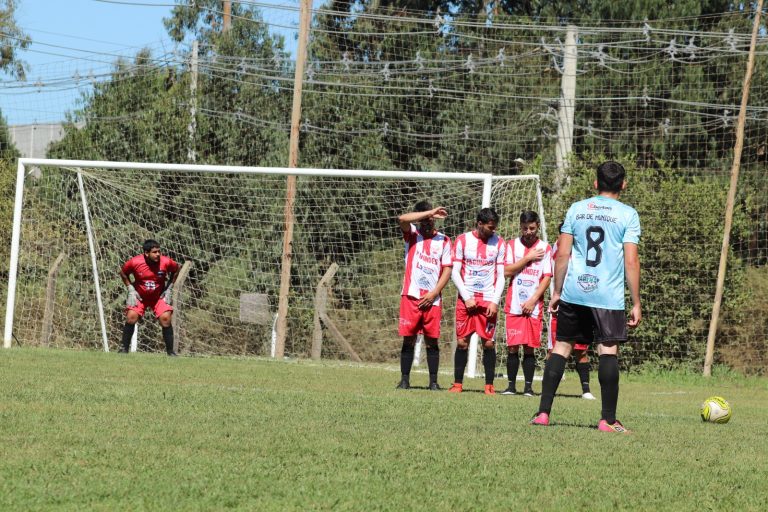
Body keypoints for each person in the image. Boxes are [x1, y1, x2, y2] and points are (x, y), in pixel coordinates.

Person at [531, 161, 641, 433]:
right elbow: (631, 261)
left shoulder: (577, 209)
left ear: (595, 184)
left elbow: (563, 255)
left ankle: (543, 413)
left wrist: (557, 291)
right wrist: (636, 302)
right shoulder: (628, 214)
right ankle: (608, 419)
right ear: (623, 185)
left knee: (562, 347)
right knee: (607, 350)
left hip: (575, 291)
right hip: (608, 295)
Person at [396, 201, 453, 390]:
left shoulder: (444, 240)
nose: (429, 222)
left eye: (431, 219)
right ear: (420, 219)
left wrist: (435, 292)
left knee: (432, 340)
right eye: (425, 219)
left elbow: (447, 269)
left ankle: (433, 382)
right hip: (411, 296)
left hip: (432, 299)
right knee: (409, 338)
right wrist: (429, 212)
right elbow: (402, 219)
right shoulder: (412, 234)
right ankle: (404, 380)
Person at [449, 208, 506, 395]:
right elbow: (455, 272)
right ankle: (457, 384)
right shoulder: (463, 240)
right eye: (490, 227)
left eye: (495, 227)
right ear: (479, 224)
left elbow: (501, 275)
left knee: (488, 343)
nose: (493, 231)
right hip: (467, 299)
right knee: (462, 342)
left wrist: (495, 301)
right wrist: (466, 297)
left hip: (488, 300)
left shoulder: (499, 243)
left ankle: (489, 385)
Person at [501, 210, 552, 397]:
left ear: (537, 226)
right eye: (524, 228)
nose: (528, 232)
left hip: (534, 306)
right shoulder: (512, 245)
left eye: (531, 228)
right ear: (520, 227)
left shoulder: (546, 248)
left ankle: (528, 388)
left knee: (529, 347)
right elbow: (506, 271)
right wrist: (528, 258)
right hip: (514, 304)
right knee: (513, 346)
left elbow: (546, 278)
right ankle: (511, 386)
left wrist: (533, 300)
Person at [547, 223, 595, 400]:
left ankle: (586, 390)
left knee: (581, 350)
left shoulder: (583, 250)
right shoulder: (555, 249)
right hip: (561, 302)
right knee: (554, 349)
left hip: (580, 302)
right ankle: (549, 390)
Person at [119, 239, 180, 356]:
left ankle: (171, 353)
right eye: (155, 252)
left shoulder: (166, 262)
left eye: (159, 251)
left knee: (166, 318)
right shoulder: (135, 262)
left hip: (158, 296)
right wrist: (130, 289)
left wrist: (169, 288)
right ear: (146, 253)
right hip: (140, 296)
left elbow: (176, 269)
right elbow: (123, 272)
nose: (158, 254)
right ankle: (123, 350)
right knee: (131, 317)